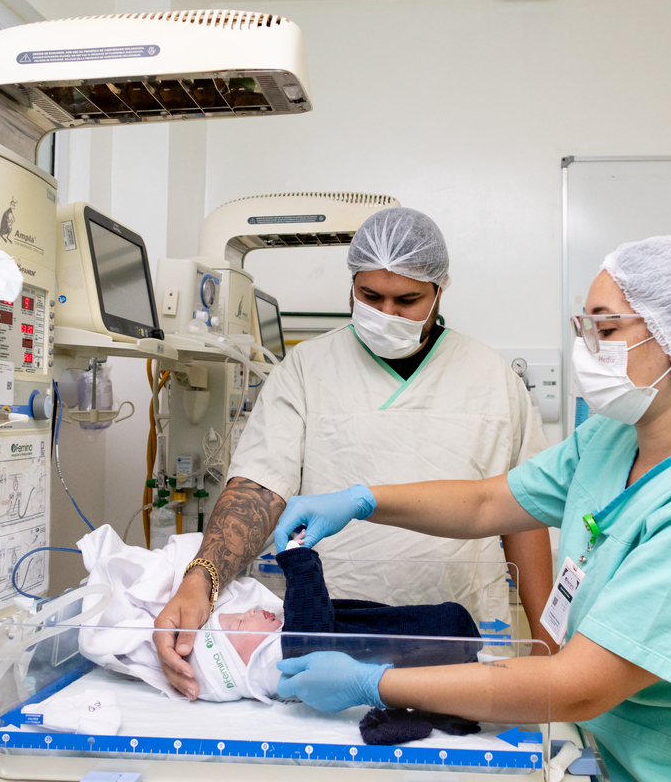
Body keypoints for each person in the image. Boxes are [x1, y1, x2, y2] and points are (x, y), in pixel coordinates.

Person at [269, 237, 671, 782]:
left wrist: (374, 684)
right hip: (607, 752)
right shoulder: (615, 437)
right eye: (585, 328)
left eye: (606, 331)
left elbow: (581, 685)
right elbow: (488, 502)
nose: (586, 349)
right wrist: (363, 501)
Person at [154, 206, 556, 700]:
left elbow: (527, 512)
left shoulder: (492, 377)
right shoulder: (306, 369)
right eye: (370, 296)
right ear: (351, 286)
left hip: (462, 636)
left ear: (439, 291)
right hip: (331, 638)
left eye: (407, 300)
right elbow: (258, 488)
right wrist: (202, 578)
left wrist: (547, 645)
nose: (386, 313)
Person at [76, 525, 482, 705]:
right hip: (442, 642)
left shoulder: (275, 653)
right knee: (447, 631)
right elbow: (311, 637)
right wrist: (297, 557)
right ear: (239, 662)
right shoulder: (277, 665)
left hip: (435, 648)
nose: (251, 609)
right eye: (239, 622)